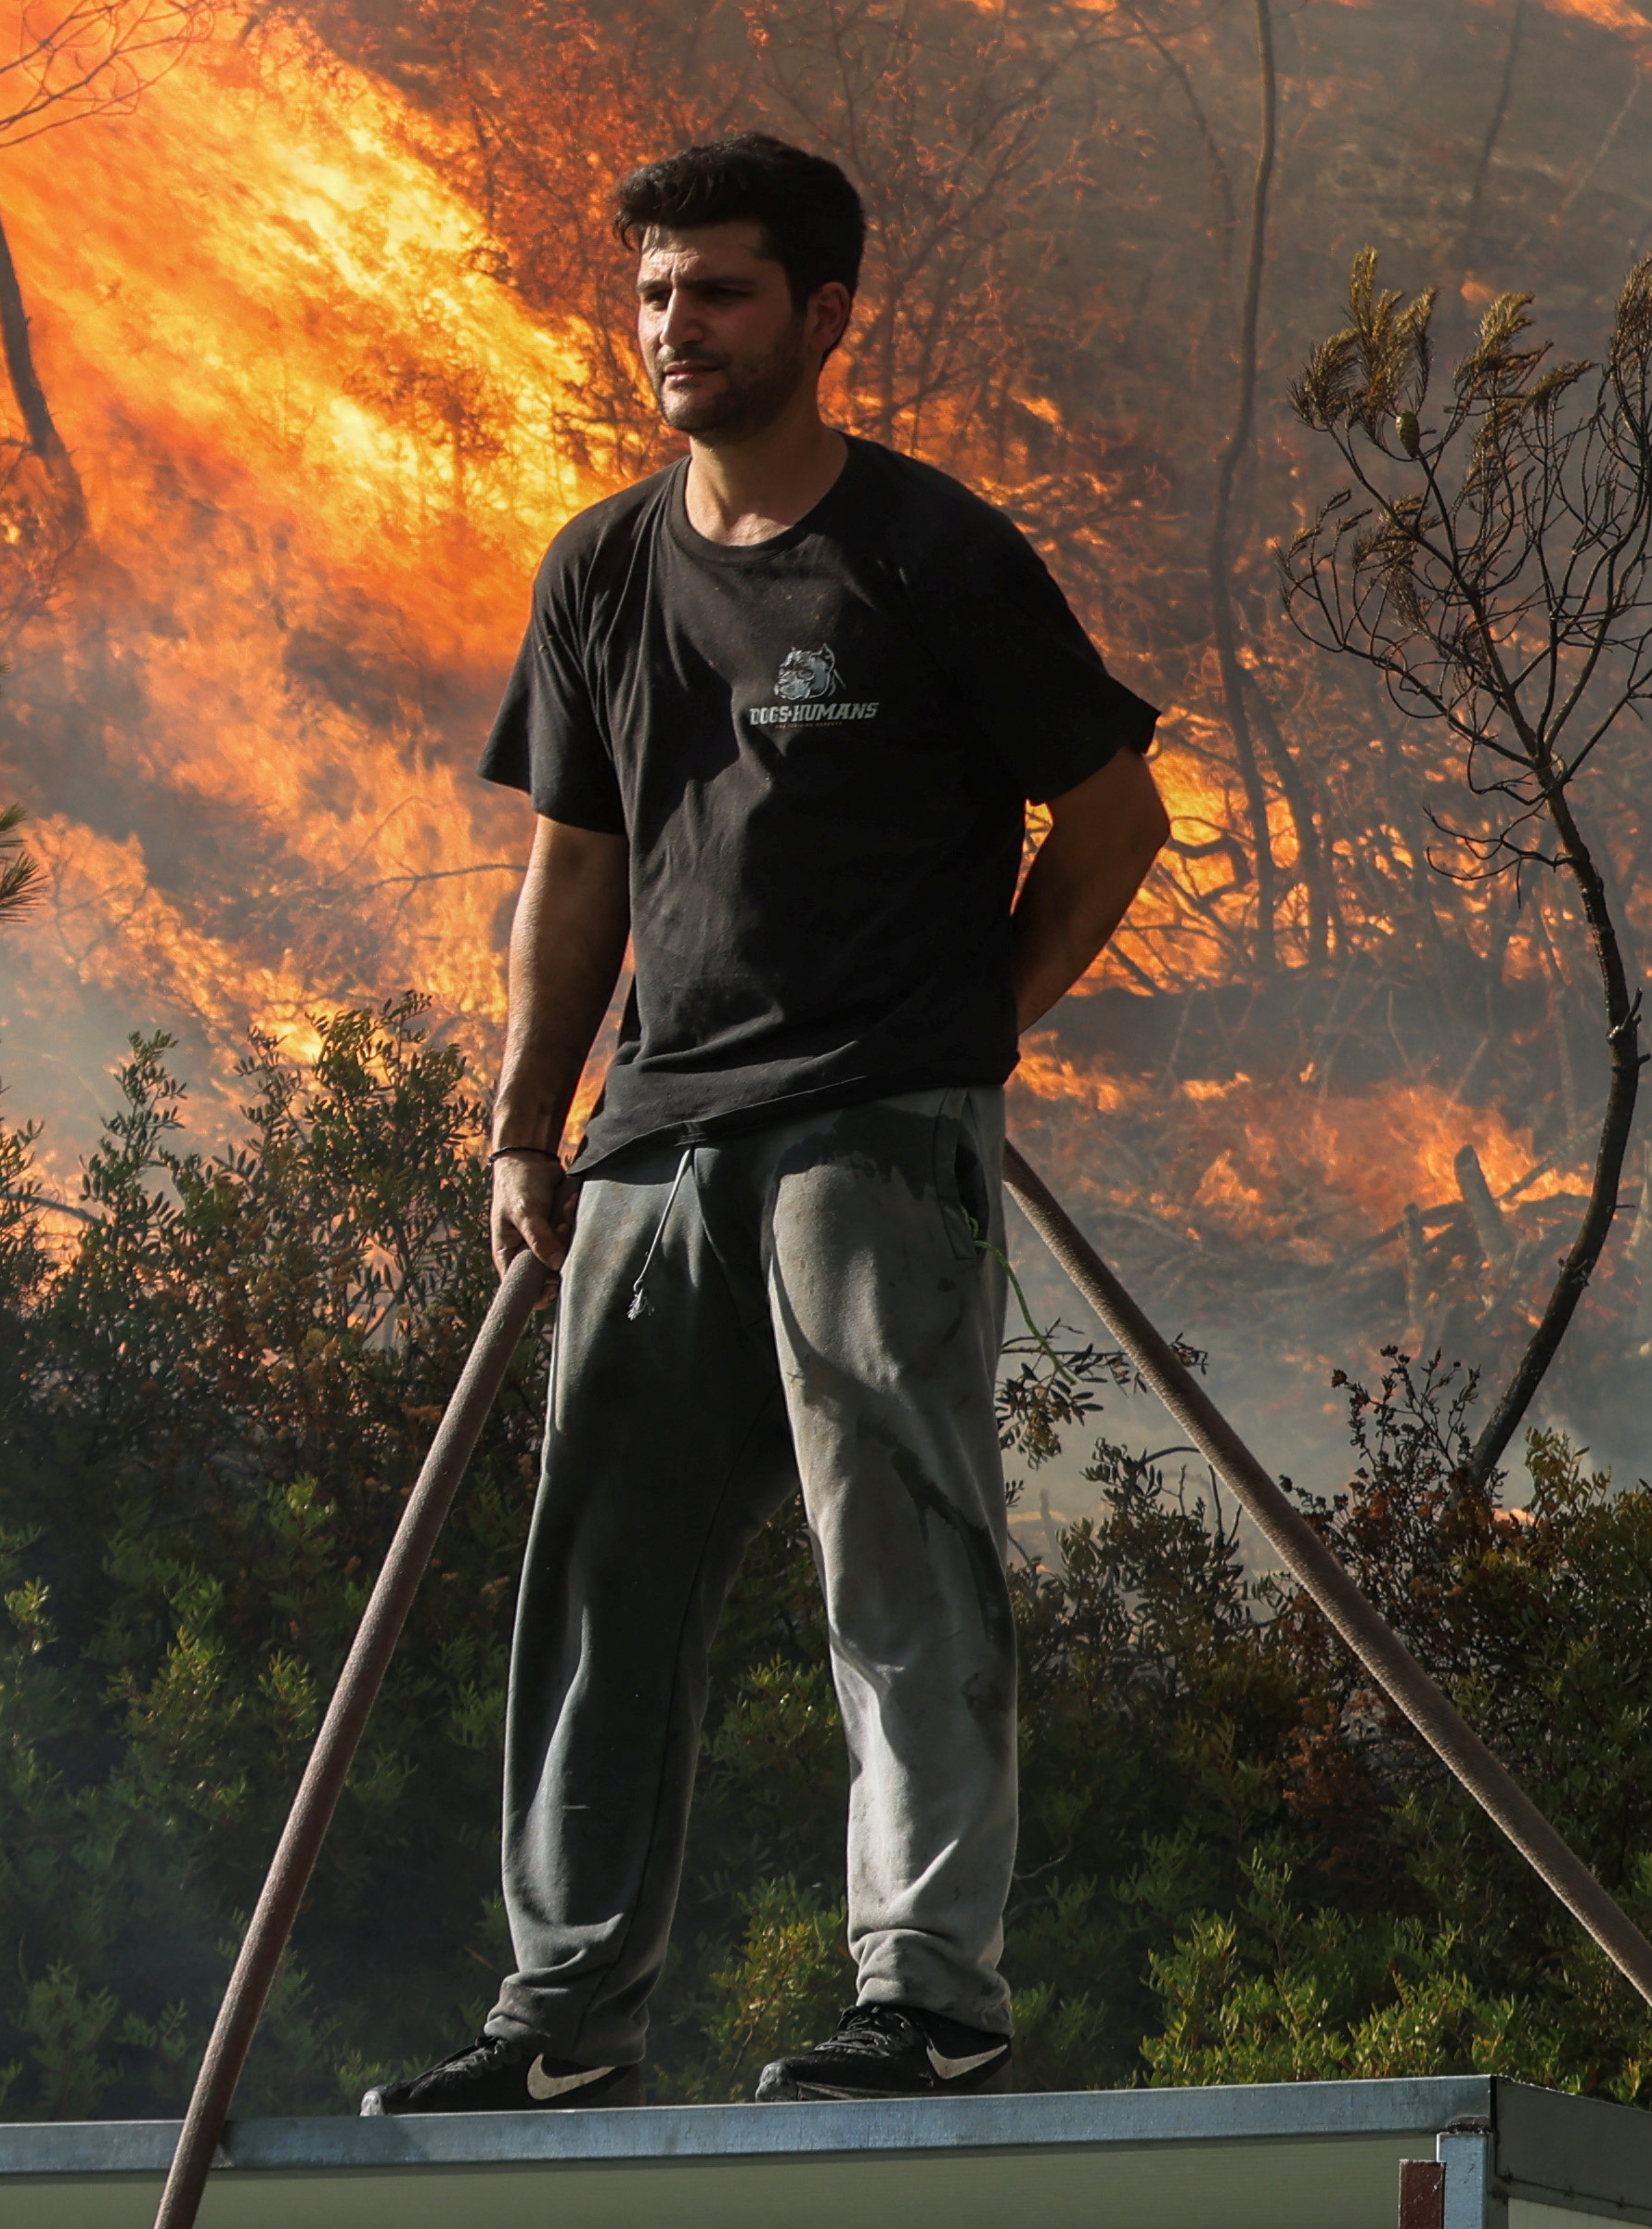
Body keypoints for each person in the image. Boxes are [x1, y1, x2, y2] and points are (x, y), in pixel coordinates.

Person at [360, 133, 1169, 2115]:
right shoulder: (603, 569)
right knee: (599, 1569)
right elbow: (575, 872)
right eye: (651, 293)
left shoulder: (929, 554)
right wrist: (520, 1129)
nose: (673, 328)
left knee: (895, 1550)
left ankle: (930, 1997)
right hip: (650, 1142)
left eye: (717, 291)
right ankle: (564, 2018)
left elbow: (1115, 816)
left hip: (869, 1135)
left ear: (822, 315)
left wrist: (966, 1034)